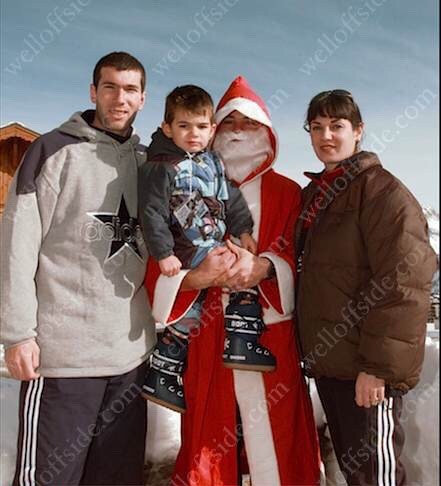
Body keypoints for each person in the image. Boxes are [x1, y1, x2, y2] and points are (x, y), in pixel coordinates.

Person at [144, 76, 320, 485]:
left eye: (249, 123)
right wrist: (195, 278)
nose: (239, 131)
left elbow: (302, 259)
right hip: (208, 332)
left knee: (276, 439)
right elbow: (157, 253)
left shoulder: (288, 192)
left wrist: (266, 267)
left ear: (267, 133)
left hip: (270, 335)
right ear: (214, 130)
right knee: (208, 439)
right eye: (230, 123)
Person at [0, 52, 157, 486]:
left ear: (143, 98)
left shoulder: (148, 162)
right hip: (64, 358)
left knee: (117, 477)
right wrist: (17, 334)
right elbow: (16, 246)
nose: (119, 98)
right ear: (93, 92)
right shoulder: (52, 151)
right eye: (109, 87)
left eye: (129, 90)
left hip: (129, 356)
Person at [295, 89, 437, 486]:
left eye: (337, 126)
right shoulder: (316, 196)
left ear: (358, 131)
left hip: (366, 368)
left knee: (378, 476)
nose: (327, 136)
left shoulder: (382, 193)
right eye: (317, 127)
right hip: (332, 365)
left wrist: (376, 368)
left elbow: (404, 282)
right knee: (356, 472)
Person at [138, 84, 276, 414]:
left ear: (211, 129)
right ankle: (241, 339)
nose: (193, 134)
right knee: (238, 269)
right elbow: (152, 213)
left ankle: (164, 369)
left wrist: (243, 229)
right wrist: (164, 253)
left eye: (201, 127)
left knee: (194, 312)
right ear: (167, 128)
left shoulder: (211, 163)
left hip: (208, 238)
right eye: (184, 126)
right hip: (186, 246)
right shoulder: (161, 166)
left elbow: (232, 199)